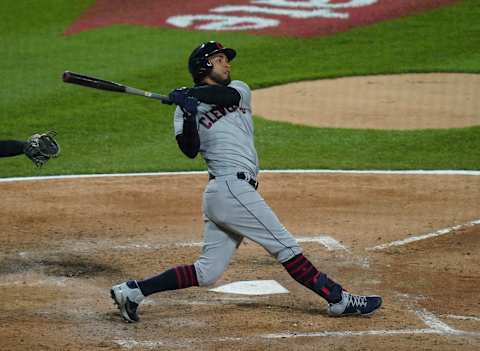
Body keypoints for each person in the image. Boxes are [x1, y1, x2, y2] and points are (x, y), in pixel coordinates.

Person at [110, 41, 382, 323]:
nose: (227, 63)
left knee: (207, 272)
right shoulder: (183, 110)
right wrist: (189, 112)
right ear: (204, 66)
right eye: (219, 59)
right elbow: (189, 149)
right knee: (285, 247)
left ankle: (133, 292)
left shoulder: (238, 90)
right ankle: (339, 299)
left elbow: (224, 98)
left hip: (231, 193)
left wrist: (190, 93)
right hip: (228, 189)